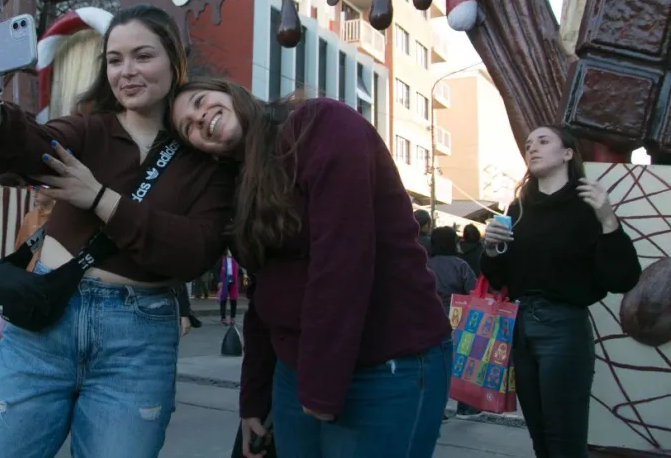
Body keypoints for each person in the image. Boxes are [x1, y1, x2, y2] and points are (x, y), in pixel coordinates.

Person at [0, 4, 235, 458]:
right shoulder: (87, 129)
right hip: (45, 327)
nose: (127, 72)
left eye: (142, 56)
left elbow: (192, 252)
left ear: (173, 61)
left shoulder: (202, 159)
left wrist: (99, 197)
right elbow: (28, 148)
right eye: (115, 60)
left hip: (139, 339)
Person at [171, 78, 452, 458]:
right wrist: (255, 399)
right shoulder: (242, 183)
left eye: (201, 101)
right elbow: (265, 291)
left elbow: (343, 258)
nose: (200, 118)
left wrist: (322, 385)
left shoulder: (320, 124)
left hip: (385, 363)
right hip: (295, 372)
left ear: (232, 92)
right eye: (188, 127)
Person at [481, 126, 641, 458]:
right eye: (528, 145)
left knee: (564, 442)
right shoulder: (518, 209)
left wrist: (609, 221)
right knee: (540, 439)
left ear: (567, 153)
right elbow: (500, 278)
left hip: (563, 329)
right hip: (521, 326)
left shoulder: (587, 205)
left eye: (543, 141)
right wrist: (493, 248)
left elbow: (623, 279)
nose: (532, 148)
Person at [427, 226, 479, 420]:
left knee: (434, 364)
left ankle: (435, 409)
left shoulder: (426, 263)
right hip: (458, 318)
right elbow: (473, 290)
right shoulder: (460, 265)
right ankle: (464, 407)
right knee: (461, 361)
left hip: (430, 318)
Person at [217, 247, 240, 325]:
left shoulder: (235, 260)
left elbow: (239, 271)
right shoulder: (222, 259)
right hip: (224, 281)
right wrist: (219, 281)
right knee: (223, 300)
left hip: (233, 281)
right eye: (229, 250)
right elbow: (216, 270)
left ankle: (232, 317)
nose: (230, 252)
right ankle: (223, 317)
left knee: (233, 300)